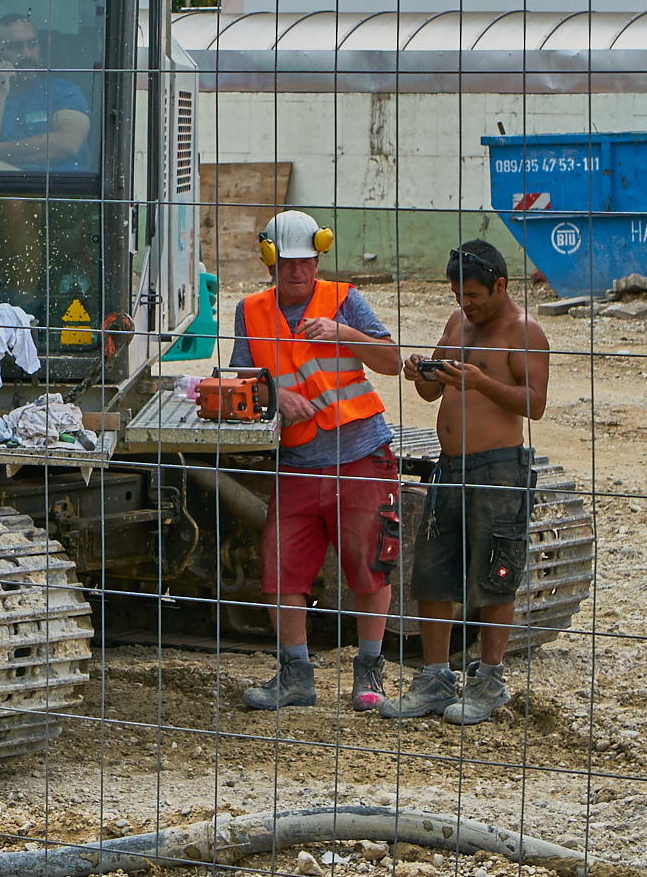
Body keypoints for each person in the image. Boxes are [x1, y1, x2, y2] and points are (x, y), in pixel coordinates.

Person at [229, 210, 402, 712]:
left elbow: (392, 361)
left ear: (318, 260)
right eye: (287, 262)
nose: (297, 271)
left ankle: (369, 673)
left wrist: (345, 333)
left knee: (371, 568)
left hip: (361, 454)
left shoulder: (344, 300)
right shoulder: (250, 311)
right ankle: (296, 677)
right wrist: (276, 395)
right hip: (297, 461)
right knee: (281, 570)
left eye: (306, 262)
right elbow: (242, 382)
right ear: (270, 263)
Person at [380, 240, 551, 725]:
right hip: (449, 468)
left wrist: (480, 383)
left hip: (498, 471)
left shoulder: (525, 332)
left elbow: (535, 404)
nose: (465, 303)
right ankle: (435, 678)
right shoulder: (458, 323)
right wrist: (420, 373)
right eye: (458, 295)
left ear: (500, 285)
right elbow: (430, 391)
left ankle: (489, 681)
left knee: (495, 575)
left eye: (473, 294)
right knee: (433, 572)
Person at [0, 15, 92, 172]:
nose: (27, 54)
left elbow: (67, 144)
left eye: (33, 44)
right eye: (15, 47)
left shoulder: (63, 91)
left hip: (59, 185)